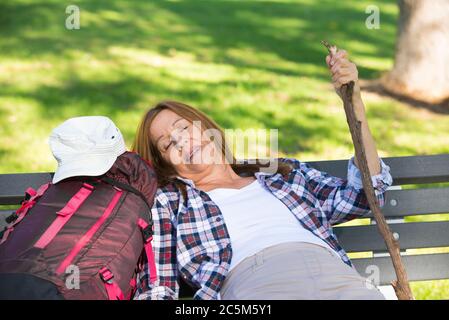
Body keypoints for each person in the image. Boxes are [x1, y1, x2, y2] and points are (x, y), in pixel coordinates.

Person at [132, 49, 392, 300]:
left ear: (205, 126)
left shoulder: (280, 173)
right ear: (165, 165)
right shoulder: (171, 202)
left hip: (334, 273)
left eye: (184, 128)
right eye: (167, 145)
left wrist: (354, 101)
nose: (181, 142)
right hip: (255, 281)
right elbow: (158, 284)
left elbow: (363, 196)